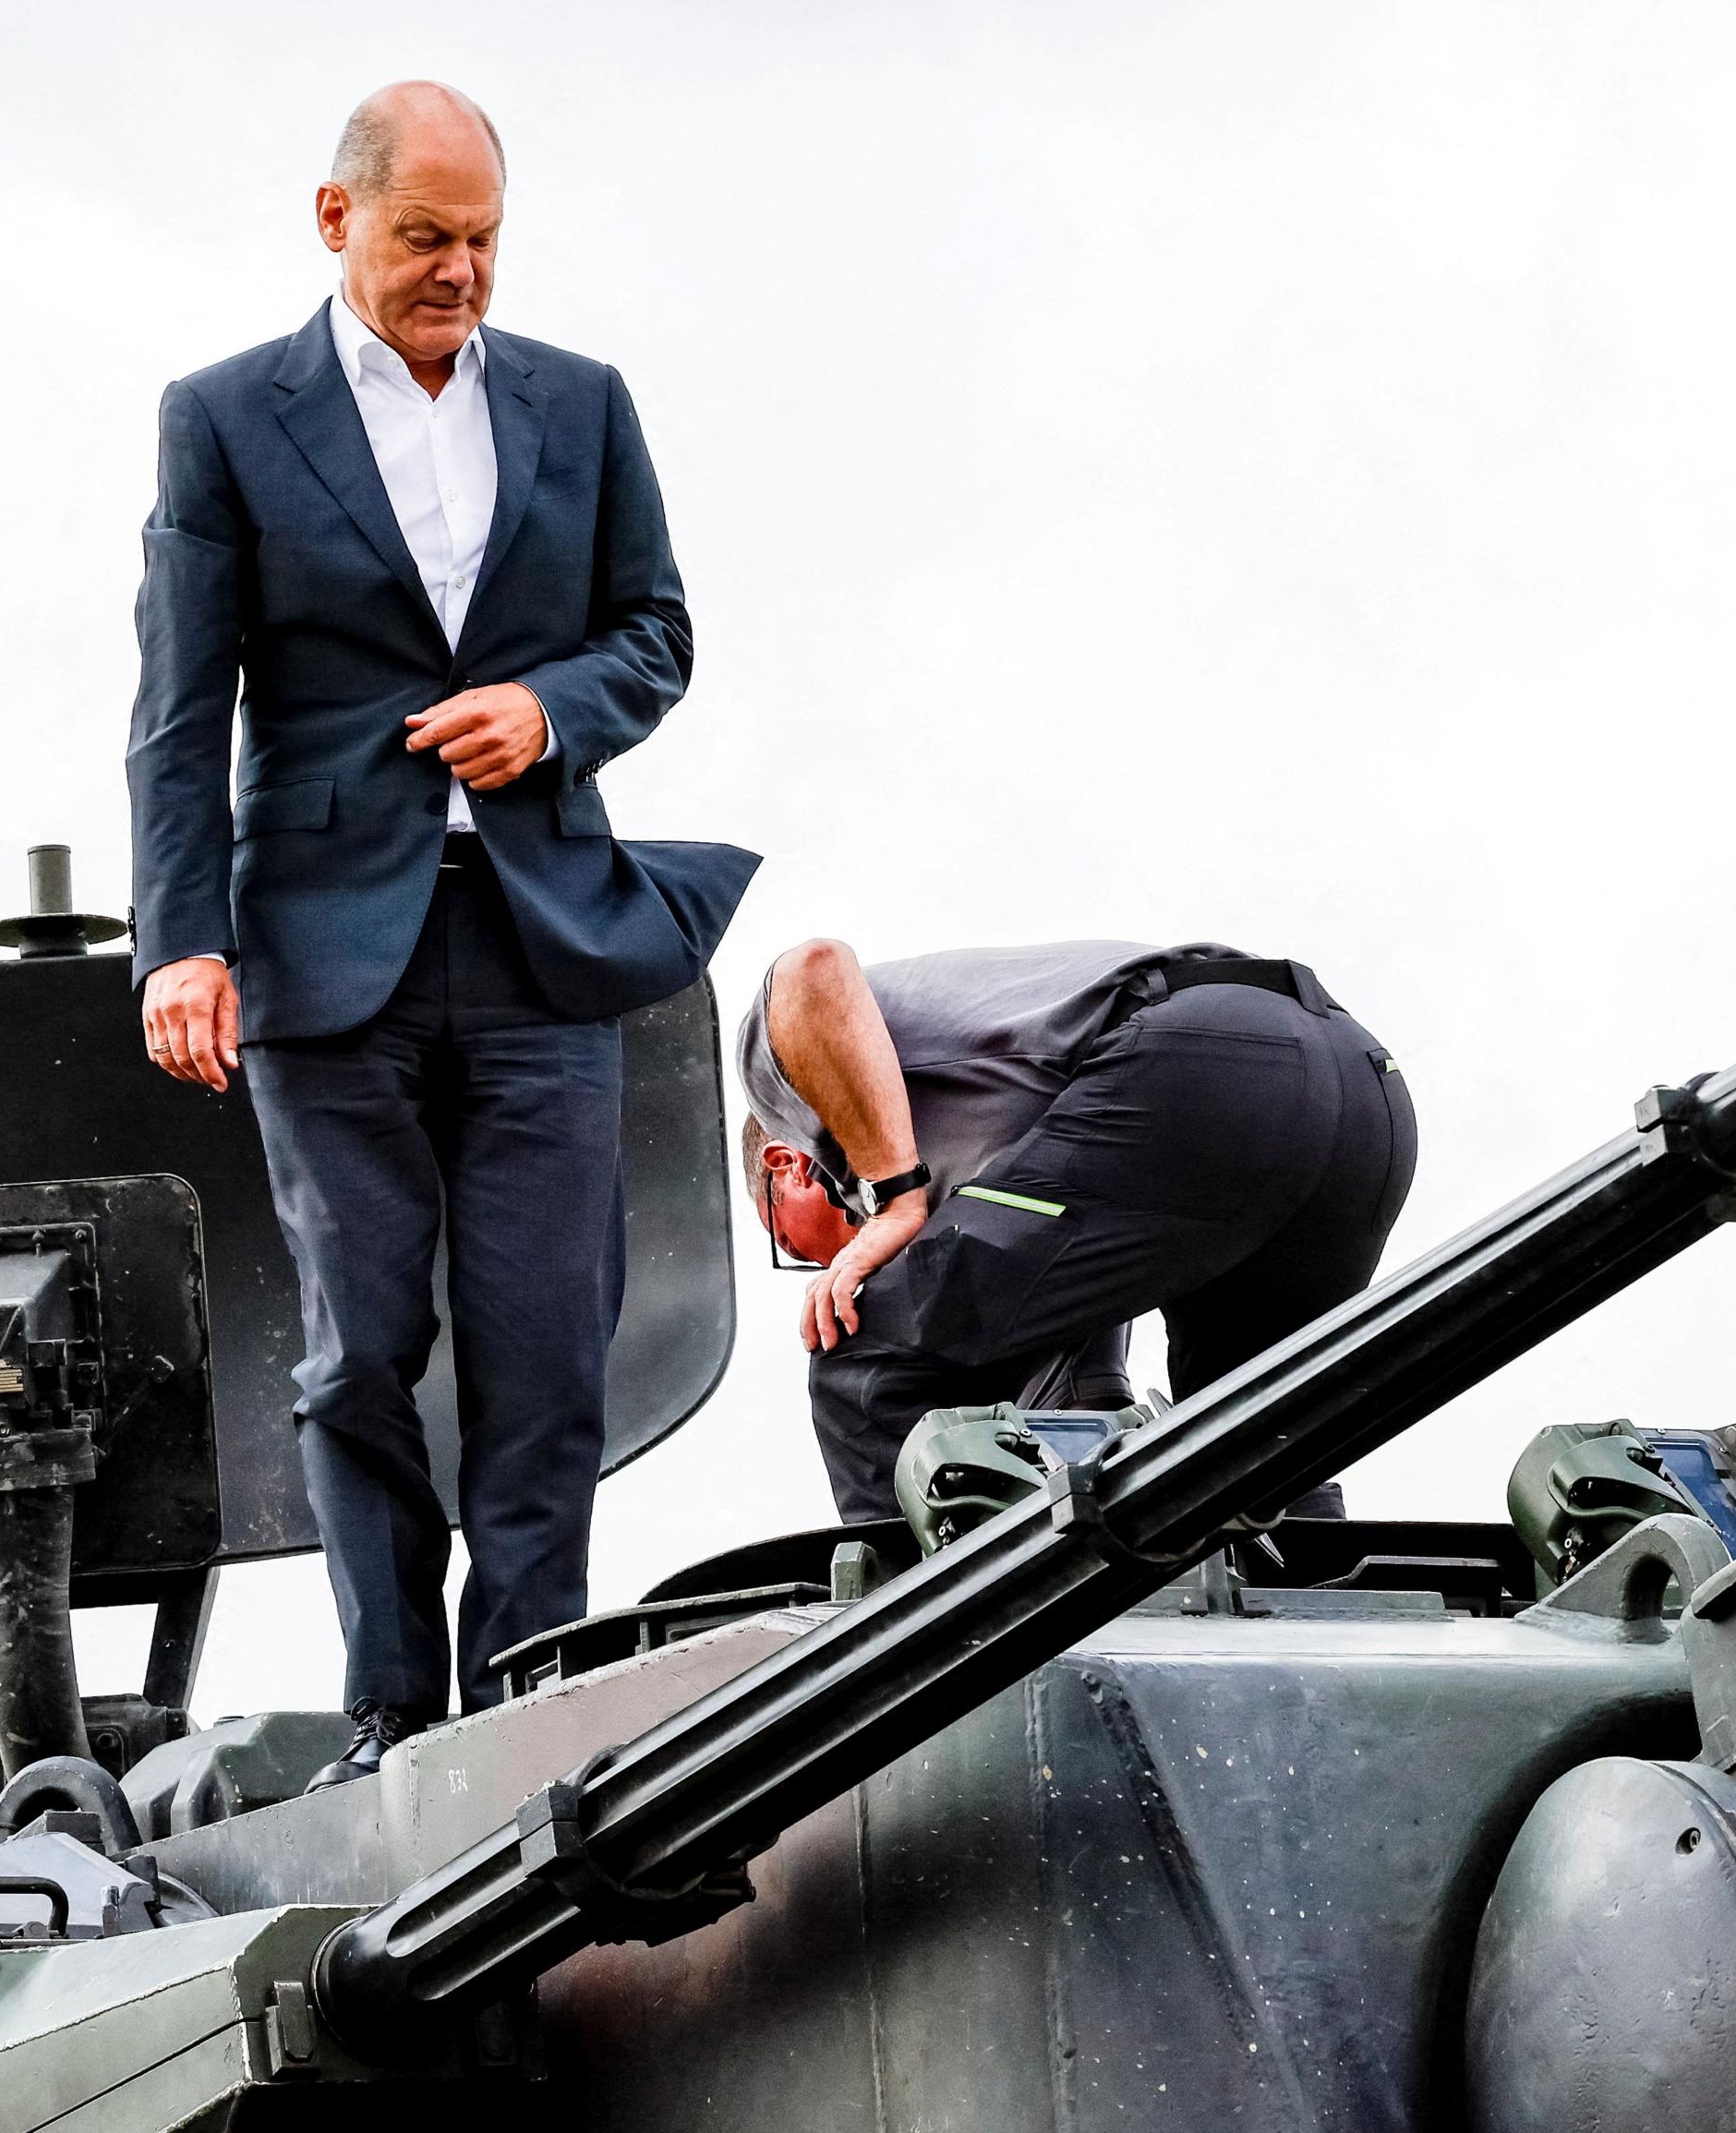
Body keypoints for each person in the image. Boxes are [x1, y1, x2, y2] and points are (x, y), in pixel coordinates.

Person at [127, 82, 753, 1791]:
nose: (457, 273)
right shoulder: (225, 420)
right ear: (336, 221)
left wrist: (550, 715)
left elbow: (654, 634)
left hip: (543, 941)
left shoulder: (582, 403)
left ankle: (531, 1689)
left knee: (554, 1347)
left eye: (481, 243)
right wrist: (179, 944)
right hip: (330, 962)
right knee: (362, 1355)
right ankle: (400, 1707)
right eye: (425, 239)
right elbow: (181, 713)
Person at [738, 938, 1418, 1527]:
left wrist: (891, 1200)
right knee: (1252, 1441)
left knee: (867, 1352)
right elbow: (1080, 1380)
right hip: (1362, 1089)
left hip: (1192, 1060)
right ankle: (1307, 1605)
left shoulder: (796, 1090)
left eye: (798, 1248)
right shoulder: (1017, 1164)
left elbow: (811, 967)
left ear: (786, 1168)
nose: (831, 1264)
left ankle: (922, 1648)